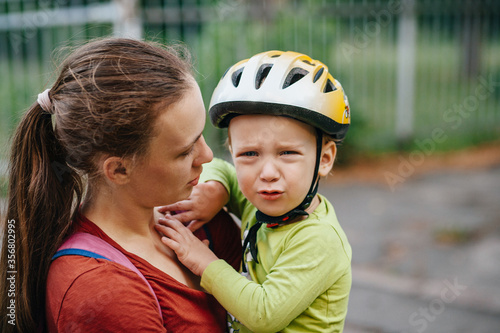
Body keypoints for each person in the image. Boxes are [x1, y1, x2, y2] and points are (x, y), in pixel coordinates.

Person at [0, 38, 241, 332]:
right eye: (184, 152)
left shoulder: (198, 221)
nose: (207, 155)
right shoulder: (99, 288)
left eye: (201, 135)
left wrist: (226, 186)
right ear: (119, 169)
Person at [156, 50, 352, 332]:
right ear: (232, 151)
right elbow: (222, 170)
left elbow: (263, 314)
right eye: (249, 153)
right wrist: (216, 189)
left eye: (287, 152)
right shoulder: (260, 199)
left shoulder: (318, 239)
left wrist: (204, 262)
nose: (268, 172)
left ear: (324, 158)